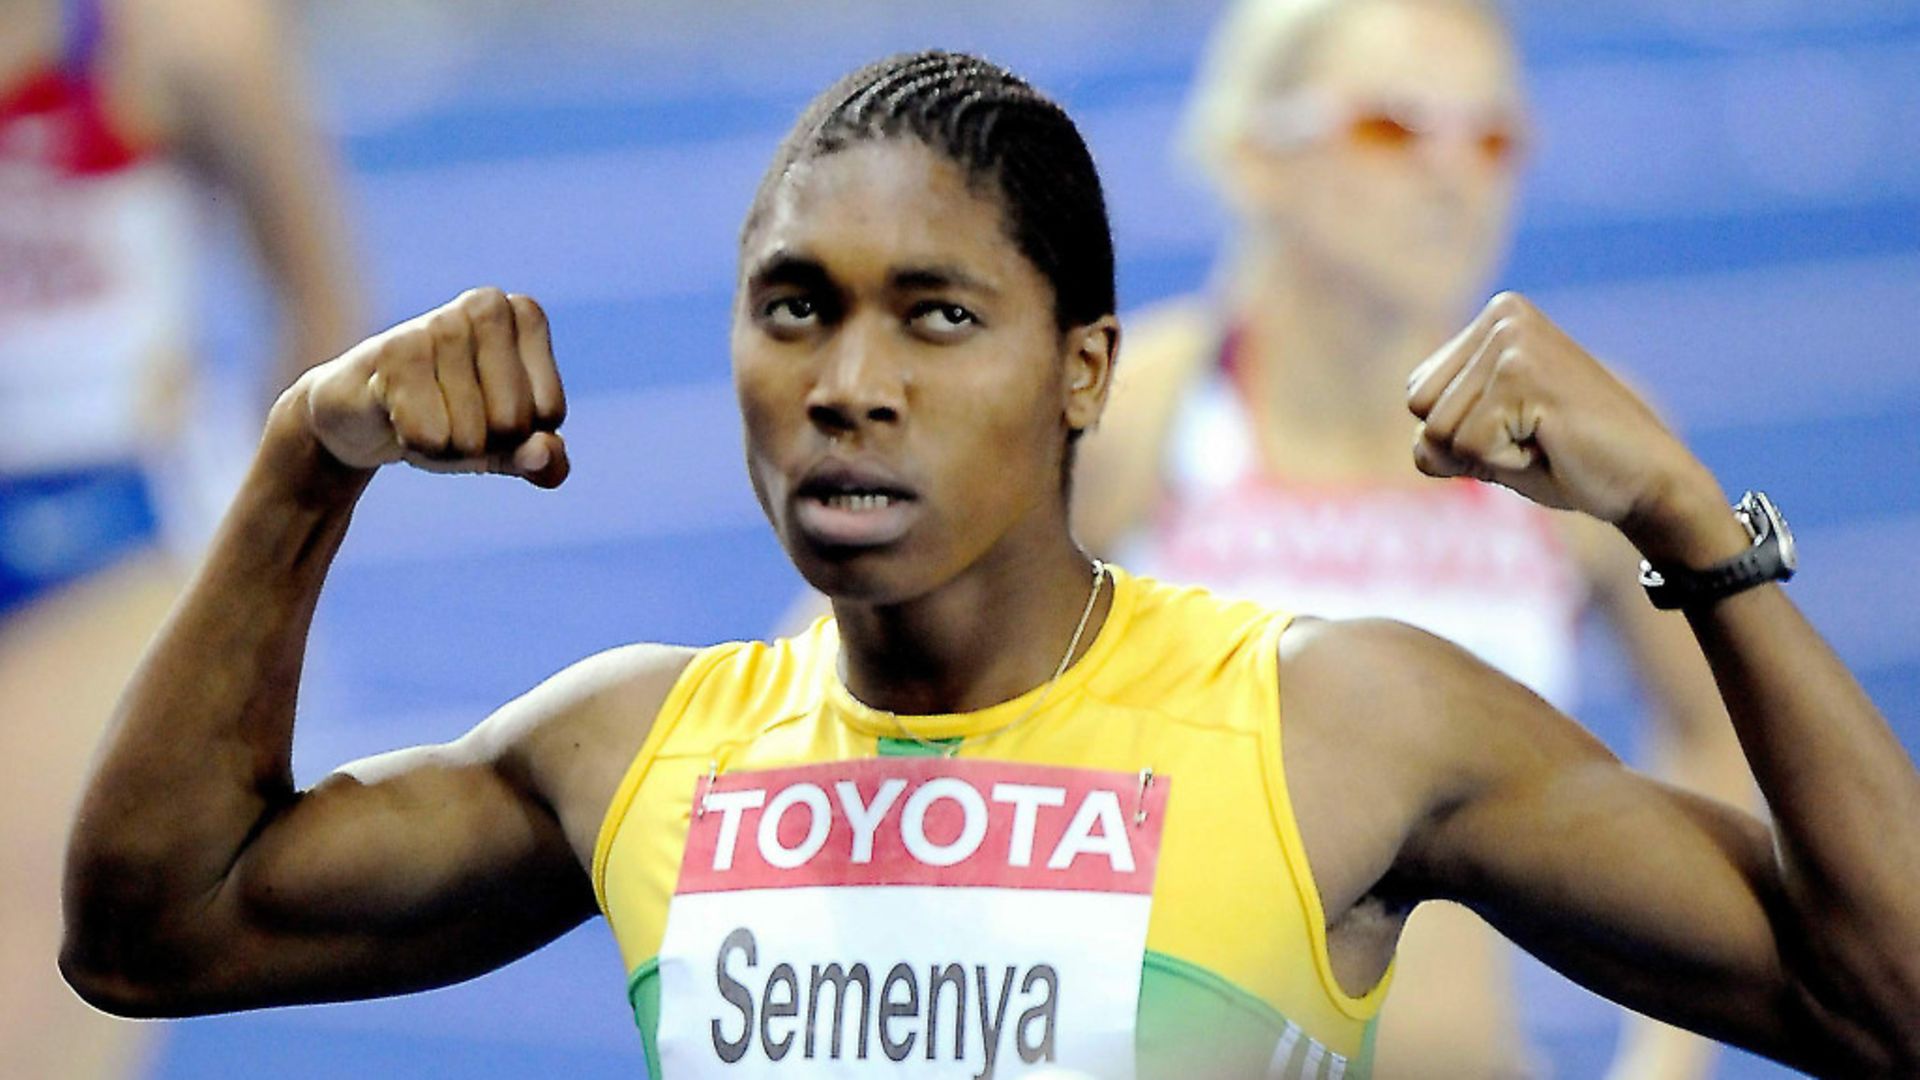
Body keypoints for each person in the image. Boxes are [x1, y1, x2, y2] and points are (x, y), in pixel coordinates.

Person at [58, 50, 1920, 1080]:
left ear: (1082, 372)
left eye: (937, 318)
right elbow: (149, 936)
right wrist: (308, 459)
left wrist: (1688, 518)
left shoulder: (1336, 723)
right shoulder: (638, 754)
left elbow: (1889, 1001)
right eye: (796, 310)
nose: (850, 386)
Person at [1071, 1, 1746, 1075]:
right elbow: (855, 689)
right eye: (1394, 128)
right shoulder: (1131, 419)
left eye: (1492, 137)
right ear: (1256, 155)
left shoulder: (1571, 441)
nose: (1453, 176)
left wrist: (1671, 1057)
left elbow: (1723, 728)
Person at [1, 0, 357, 1075]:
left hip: (93, 543)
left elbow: (323, 320)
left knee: (39, 996)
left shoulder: (183, 35)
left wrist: (268, 567)